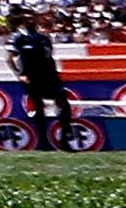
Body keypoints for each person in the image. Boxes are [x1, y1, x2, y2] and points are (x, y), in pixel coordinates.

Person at [8, 10, 77, 151]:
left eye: (32, 19)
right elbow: (10, 58)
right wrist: (19, 74)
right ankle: (43, 143)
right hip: (32, 78)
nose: (30, 22)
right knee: (39, 109)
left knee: (64, 106)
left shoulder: (44, 38)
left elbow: (49, 56)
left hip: (50, 76)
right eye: (27, 20)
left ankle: (64, 140)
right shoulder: (18, 38)